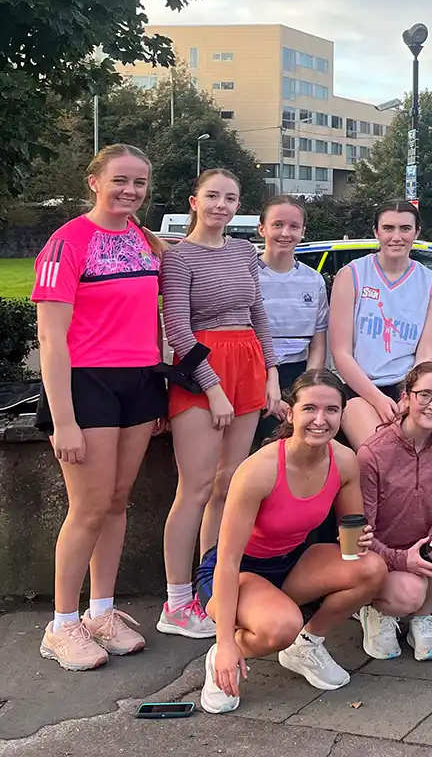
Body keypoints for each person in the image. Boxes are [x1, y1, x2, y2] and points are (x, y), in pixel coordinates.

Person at [33, 144, 169, 670]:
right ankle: (62, 624)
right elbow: (51, 338)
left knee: (116, 502)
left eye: (139, 182)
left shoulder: (142, 240)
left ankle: (101, 611)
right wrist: (63, 419)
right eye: (119, 180)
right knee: (87, 509)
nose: (130, 191)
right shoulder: (66, 243)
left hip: (139, 381)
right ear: (94, 181)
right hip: (85, 384)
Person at [197, 370, 388, 714]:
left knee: (371, 568)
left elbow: (350, 537)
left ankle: (307, 644)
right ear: (290, 413)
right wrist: (224, 641)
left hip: (290, 563)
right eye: (310, 408)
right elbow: (226, 560)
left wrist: (360, 541)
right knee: (281, 626)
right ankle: (223, 657)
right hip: (236, 572)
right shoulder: (259, 470)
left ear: (342, 415)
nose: (320, 419)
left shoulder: (344, 461)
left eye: (331, 410)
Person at [158, 169, 280, 641]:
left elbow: (258, 314)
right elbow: (178, 331)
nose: (221, 205)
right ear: (194, 201)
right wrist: (211, 388)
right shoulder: (179, 258)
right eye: (212, 196)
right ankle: (176, 598)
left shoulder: (244, 252)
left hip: (247, 362)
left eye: (230, 198)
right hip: (201, 369)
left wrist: (270, 374)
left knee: (228, 486)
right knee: (195, 487)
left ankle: (211, 587)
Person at [353, 362, 432, 661]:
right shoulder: (373, 453)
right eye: (424, 394)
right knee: (409, 593)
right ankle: (374, 611)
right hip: (382, 555)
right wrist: (402, 559)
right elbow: (363, 533)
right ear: (406, 397)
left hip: (422, 543)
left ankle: (421, 618)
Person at [329, 200, 432, 446]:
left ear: (416, 232)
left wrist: (411, 397)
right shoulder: (352, 275)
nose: (396, 237)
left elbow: (426, 352)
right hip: (359, 387)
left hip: (408, 389)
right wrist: (377, 399)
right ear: (376, 232)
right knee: (381, 454)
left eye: (405, 228)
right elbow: (341, 352)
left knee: (416, 456)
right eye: (388, 228)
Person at [254, 196, 328, 443]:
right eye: (277, 225)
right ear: (262, 228)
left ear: (303, 231)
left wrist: (306, 391)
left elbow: (318, 342)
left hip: (296, 376)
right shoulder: (246, 275)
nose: (285, 233)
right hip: (252, 373)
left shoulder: (314, 281)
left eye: (294, 226)